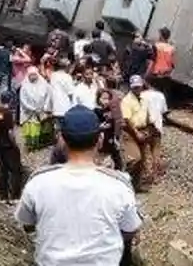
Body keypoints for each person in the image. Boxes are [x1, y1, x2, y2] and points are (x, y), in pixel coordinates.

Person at [16, 105, 142, 265]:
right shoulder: (119, 185)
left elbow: (27, 223)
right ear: (100, 140)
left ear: (61, 139)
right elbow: (130, 229)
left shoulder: (37, 182)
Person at [120, 75, 151, 190]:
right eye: (135, 87)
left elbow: (146, 115)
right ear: (131, 87)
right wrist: (136, 132)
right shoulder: (127, 100)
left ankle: (136, 185)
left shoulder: (143, 99)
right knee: (135, 158)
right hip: (131, 132)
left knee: (142, 160)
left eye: (139, 87)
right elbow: (127, 119)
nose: (137, 89)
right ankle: (124, 180)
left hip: (143, 130)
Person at [0, 92, 24, 204]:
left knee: (3, 171)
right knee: (16, 170)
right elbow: (10, 132)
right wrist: (15, 144)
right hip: (8, 145)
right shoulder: (8, 114)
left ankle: (3, 197)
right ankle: (15, 197)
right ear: (11, 101)